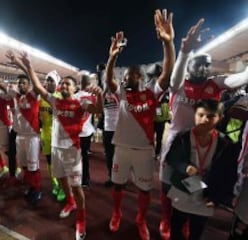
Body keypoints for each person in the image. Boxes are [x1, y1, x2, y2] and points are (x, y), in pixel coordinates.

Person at [159, 16, 248, 239]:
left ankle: (188, 218)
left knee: (199, 184)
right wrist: (185, 51)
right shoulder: (179, 85)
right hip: (179, 141)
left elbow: (240, 79)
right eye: (199, 64)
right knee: (168, 183)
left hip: (206, 141)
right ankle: (166, 218)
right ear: (190, 65)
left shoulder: (215, 83)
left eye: (206, 65)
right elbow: (174, 77)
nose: (204, 68)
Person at [7, 50, 103, 240]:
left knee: (77, 187)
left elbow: (98, 109)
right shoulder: (55, 100)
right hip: (56, 149)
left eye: (68, 84)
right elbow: (37, 85)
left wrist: (99, 95)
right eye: (63, 84)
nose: (64, 86)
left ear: (75, 88)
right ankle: (70, 203)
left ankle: (81, 220)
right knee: (62, 180)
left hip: (72, 152)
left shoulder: (80, 103)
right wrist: (28, 65)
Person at [105, 9, 175, 240]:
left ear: (141, 78)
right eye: (124, 76)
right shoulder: (121, 94)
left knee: (144, 189)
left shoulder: (152, 92)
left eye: (130, 75)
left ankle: (141, 220)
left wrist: (168, 44)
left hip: (145, 151)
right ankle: (116, 212)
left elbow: (167, 73)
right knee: (118, 186)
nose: (125, 78)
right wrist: (113, 58)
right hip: (121, 149)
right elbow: (109, 80)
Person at [165, 99, 236, 240]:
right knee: (176, 225)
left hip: (207, 194)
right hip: (183, 188)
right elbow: (171, 158)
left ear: (220, 118)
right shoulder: (183, 137)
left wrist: (218, 198)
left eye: (210, 116)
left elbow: (229, 174)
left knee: (197, 230)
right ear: (194, 115)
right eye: (201, 115)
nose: (204, 120)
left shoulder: (226, 144)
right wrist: (185, 167)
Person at [0, 48, 42, 203]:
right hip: (19, 136)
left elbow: (33, 78)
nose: (21, 85)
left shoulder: (34, 95)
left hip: (32, 137)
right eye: (19, 83)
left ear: (29, 84)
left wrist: (23, 64)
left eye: (24, 83)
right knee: (23, 165)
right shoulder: (14, 96)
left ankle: (36, 189)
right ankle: (29, 185)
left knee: (33, 165)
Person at [39, 70, 65, 201]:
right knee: (49, 162)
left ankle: (63, 187)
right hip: (45, 135)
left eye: (52, 80)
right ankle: (55, 184)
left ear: (57, 83)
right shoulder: (41, 98)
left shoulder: (60, 97)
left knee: (59, 163)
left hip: (59, 136)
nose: (49, 83)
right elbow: (38, 118)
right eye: (47, 80)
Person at [76, 74, 96, 188]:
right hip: (87, 132)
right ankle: (85, 180)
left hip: (75, 132)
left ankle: (75, 178)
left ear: (80, 83)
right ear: (89, 84)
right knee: (85, 157)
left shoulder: (75, 96)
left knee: (75, 157)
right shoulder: (92, 97)